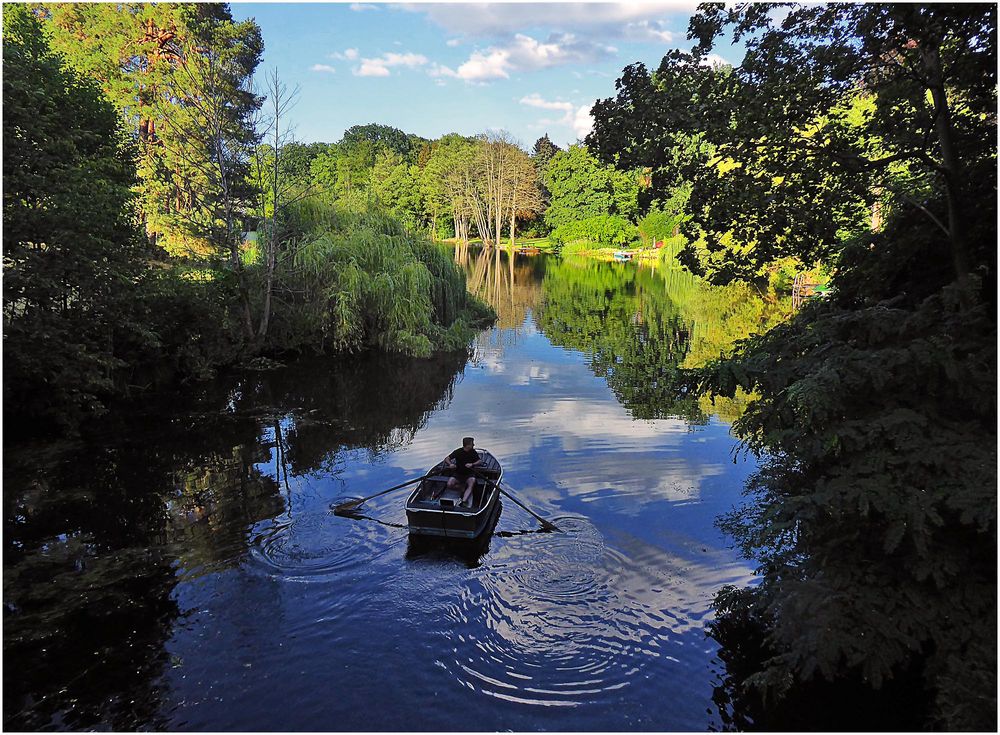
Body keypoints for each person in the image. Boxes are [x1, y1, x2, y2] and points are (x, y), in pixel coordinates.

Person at [437, 437, 482, 507]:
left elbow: (479, 461)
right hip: (458, 473)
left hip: (469, 474)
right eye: (472, 444)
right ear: (468, 445)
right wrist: (450, 464)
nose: (474, 445)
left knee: (472, 482)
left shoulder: (473, 452)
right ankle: (462, 488)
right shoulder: (458, 451)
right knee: (449, 484)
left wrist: (472, 464)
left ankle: (464, 501)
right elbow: (447, 458)